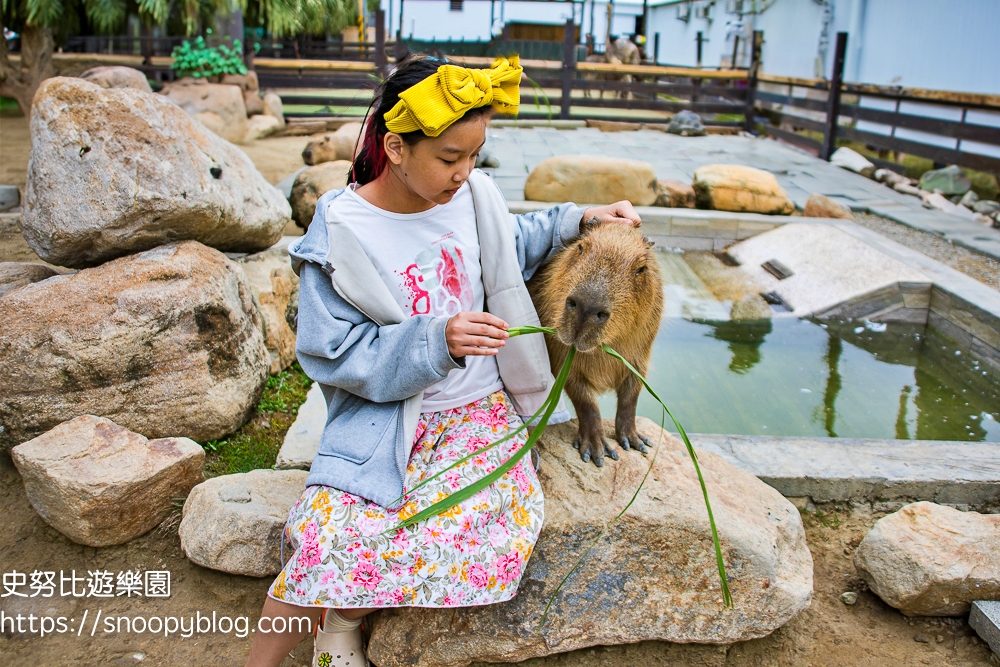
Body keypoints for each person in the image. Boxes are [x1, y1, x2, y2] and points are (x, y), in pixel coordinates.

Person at [243, 55, 641, 667]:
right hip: (387, 421)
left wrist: (581, 218)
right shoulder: (343, 229)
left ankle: (344, 619)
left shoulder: (474, 198)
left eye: (474, 155)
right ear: (396, 147)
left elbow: (516, 243)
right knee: (328, 537)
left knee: (478, 531)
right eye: (450, 158)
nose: (465, 172)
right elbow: (333, 352)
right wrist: (437, 341)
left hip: (479, 416)